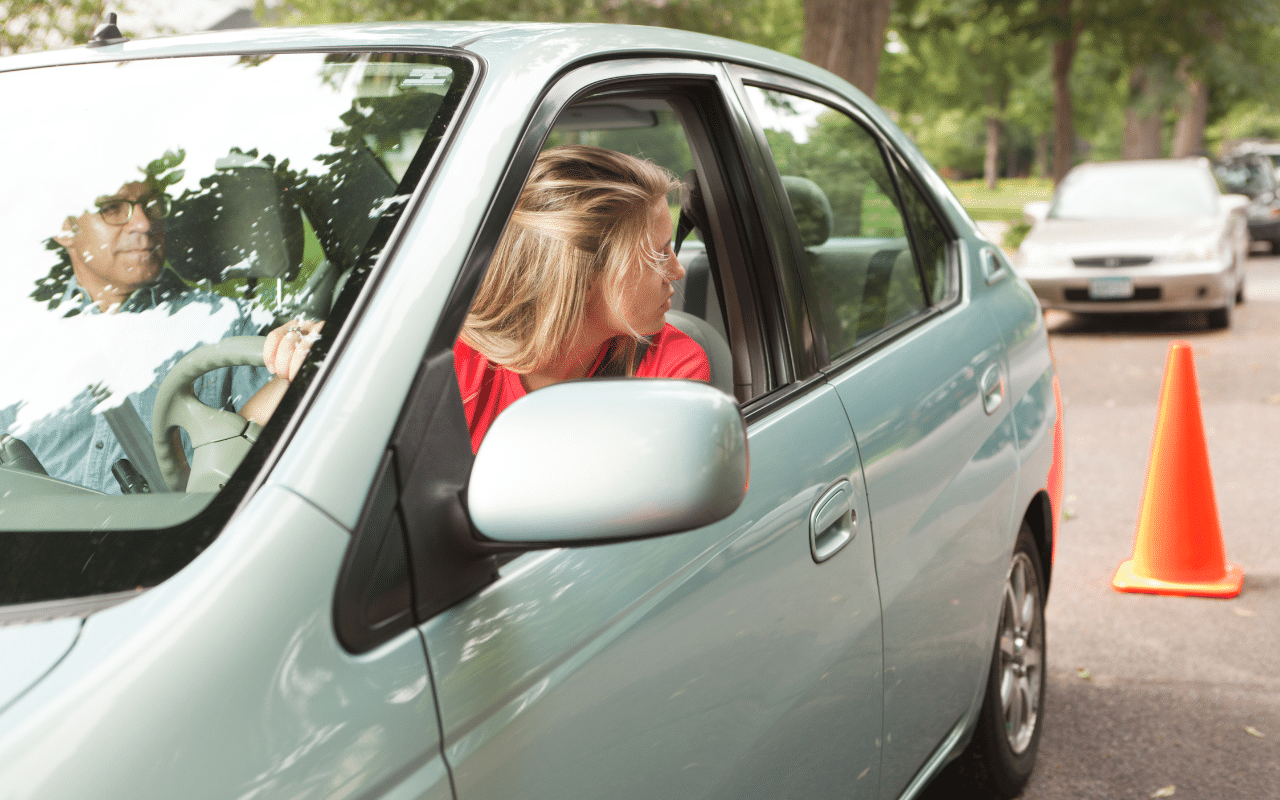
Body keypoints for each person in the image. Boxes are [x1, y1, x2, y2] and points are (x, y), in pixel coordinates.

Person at [3, 172, 294, 493]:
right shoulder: (19, 345)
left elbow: (255, 438)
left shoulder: (223, 324)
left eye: (151, 206)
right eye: (113, 208)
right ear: (65, 229)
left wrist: (296, 365)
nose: (143, 224)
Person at [453, 145, 711, 452]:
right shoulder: (454, 364)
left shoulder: (671, 365)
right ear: (582, 276)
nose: (677, 270)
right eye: (657, 254)